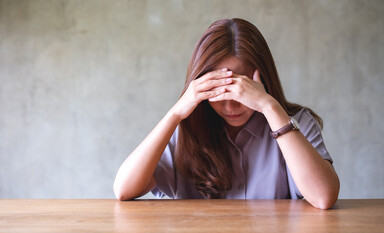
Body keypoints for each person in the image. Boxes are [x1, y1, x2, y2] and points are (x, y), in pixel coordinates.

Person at [113, 18, 340, 209]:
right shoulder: (184, 130)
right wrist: (175, 113)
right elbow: (124, 190)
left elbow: (323, 197)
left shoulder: (296, 122)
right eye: (218, 92)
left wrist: (269, 107)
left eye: (241, 91)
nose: (231, 107)